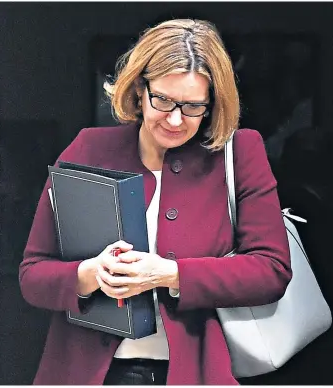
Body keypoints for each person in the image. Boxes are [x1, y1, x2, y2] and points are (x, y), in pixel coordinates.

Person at [19, 18, 292, 385]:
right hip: (87, 374)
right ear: (138, 89)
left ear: (212, 103)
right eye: (162, 100)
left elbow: (272, 269)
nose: (176, 119)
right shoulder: (88, 148)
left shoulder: (240, 153)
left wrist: (169, 274)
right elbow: (32, 274)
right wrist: (90, 274)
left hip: (194, 374)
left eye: (193, 106)